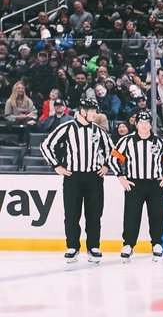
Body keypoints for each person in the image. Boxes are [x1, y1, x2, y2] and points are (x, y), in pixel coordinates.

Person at [41, 94, 113, 263]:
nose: (94, 114)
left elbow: (112, 150)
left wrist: (106, 165)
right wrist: (56, 166)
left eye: (95, 110)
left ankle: (93, 247)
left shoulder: (99, 131)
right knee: (72, 213)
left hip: (94, 177)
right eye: (92, 110)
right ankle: (72, 247)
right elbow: (46, 145)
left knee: (94, 213)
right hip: (73, 176)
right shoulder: (67, 128)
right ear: (82, 111)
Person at [110, 111, 163, 262]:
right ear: (136, 124)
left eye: (147, 123)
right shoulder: (127, 141)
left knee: (157, 215)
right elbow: (114, 159)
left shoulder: (160, 142)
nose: (144, 126)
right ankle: (128, 244)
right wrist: (121, 177)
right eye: (141, 123)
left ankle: (157, 244)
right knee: (131, 215)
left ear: (151, 125)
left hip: (155, 184)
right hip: (134, 184)